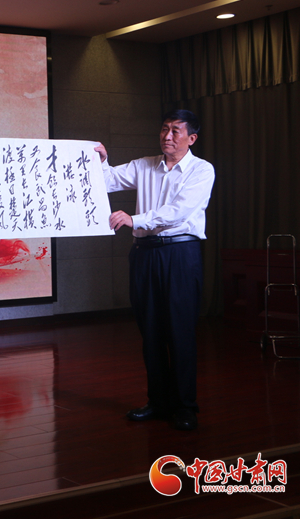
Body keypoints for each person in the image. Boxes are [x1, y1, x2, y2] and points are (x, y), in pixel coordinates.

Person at [94, 110, 215, 431]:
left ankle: (185, 406)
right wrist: (102, 161)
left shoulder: (202, 170)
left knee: (180, 330)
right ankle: (158, 402)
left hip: (180, 254)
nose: (167, 136)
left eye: (176, 131)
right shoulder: (145, 165)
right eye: (164, 129)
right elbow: (106, 181)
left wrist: (135, 219)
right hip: (144, 254)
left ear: (191, 138)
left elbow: (179, 211)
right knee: (150, 330)